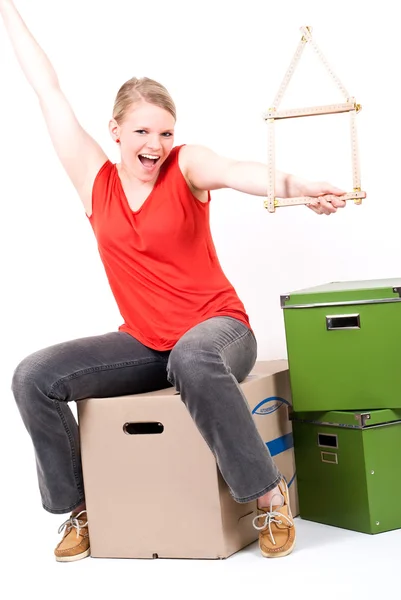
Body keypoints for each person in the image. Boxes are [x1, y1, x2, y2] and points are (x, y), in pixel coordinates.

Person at [1, 0, 347, 563]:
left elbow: (240, 172)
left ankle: (267, 496)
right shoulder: (94, 181)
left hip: (218, 330)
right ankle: (82, 507)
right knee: (32, 376)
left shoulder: (187, 166)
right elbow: (48, 89)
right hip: (144, 341)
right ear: (114, 131)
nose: (155, 145)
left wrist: (299, 187)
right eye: (142, 131)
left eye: (165, 132)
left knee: (191, 358)